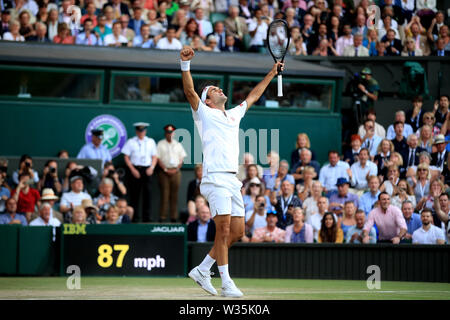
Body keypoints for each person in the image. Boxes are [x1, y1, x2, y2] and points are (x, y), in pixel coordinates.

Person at [181, 45, 284, 297]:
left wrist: (272, 73)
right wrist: (185, 64)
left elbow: (254, 96)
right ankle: (226, 283)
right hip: (215, 178)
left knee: (237, 233)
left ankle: (203, 269)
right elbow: (189, 90)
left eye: (219, 87)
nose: (219, 89)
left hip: (233, 180)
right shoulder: (202, 112)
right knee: (224, 229)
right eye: (214, 89)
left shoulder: (234, 115)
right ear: (207, 100)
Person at [121, 122, 157, 223]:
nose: (141, 133)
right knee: (134, 195)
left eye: (143, 131)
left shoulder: (151, 141)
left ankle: (147, 217)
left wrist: (152, 167)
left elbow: (154, 156)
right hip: (135, 169)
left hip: (147, 170)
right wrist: (132, 169)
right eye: (139, 131)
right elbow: (126, 157)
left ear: (145, 131)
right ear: (136, 131)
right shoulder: (131, 142)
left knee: (148, 195)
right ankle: (135, 218)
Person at [156, 124, 187, 222]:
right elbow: (158, 159)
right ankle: (162, 217)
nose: (169, 134)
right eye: (168, 133)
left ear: (173, 134)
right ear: (165, 134)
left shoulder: (178, 144)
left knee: (174, 195)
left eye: (171, 133)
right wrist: (165, 170)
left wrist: (176, 169)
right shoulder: (160, 144)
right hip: (164, 171)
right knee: (164, 195)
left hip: (176, 171)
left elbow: (181, 159)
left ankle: (173, 217)